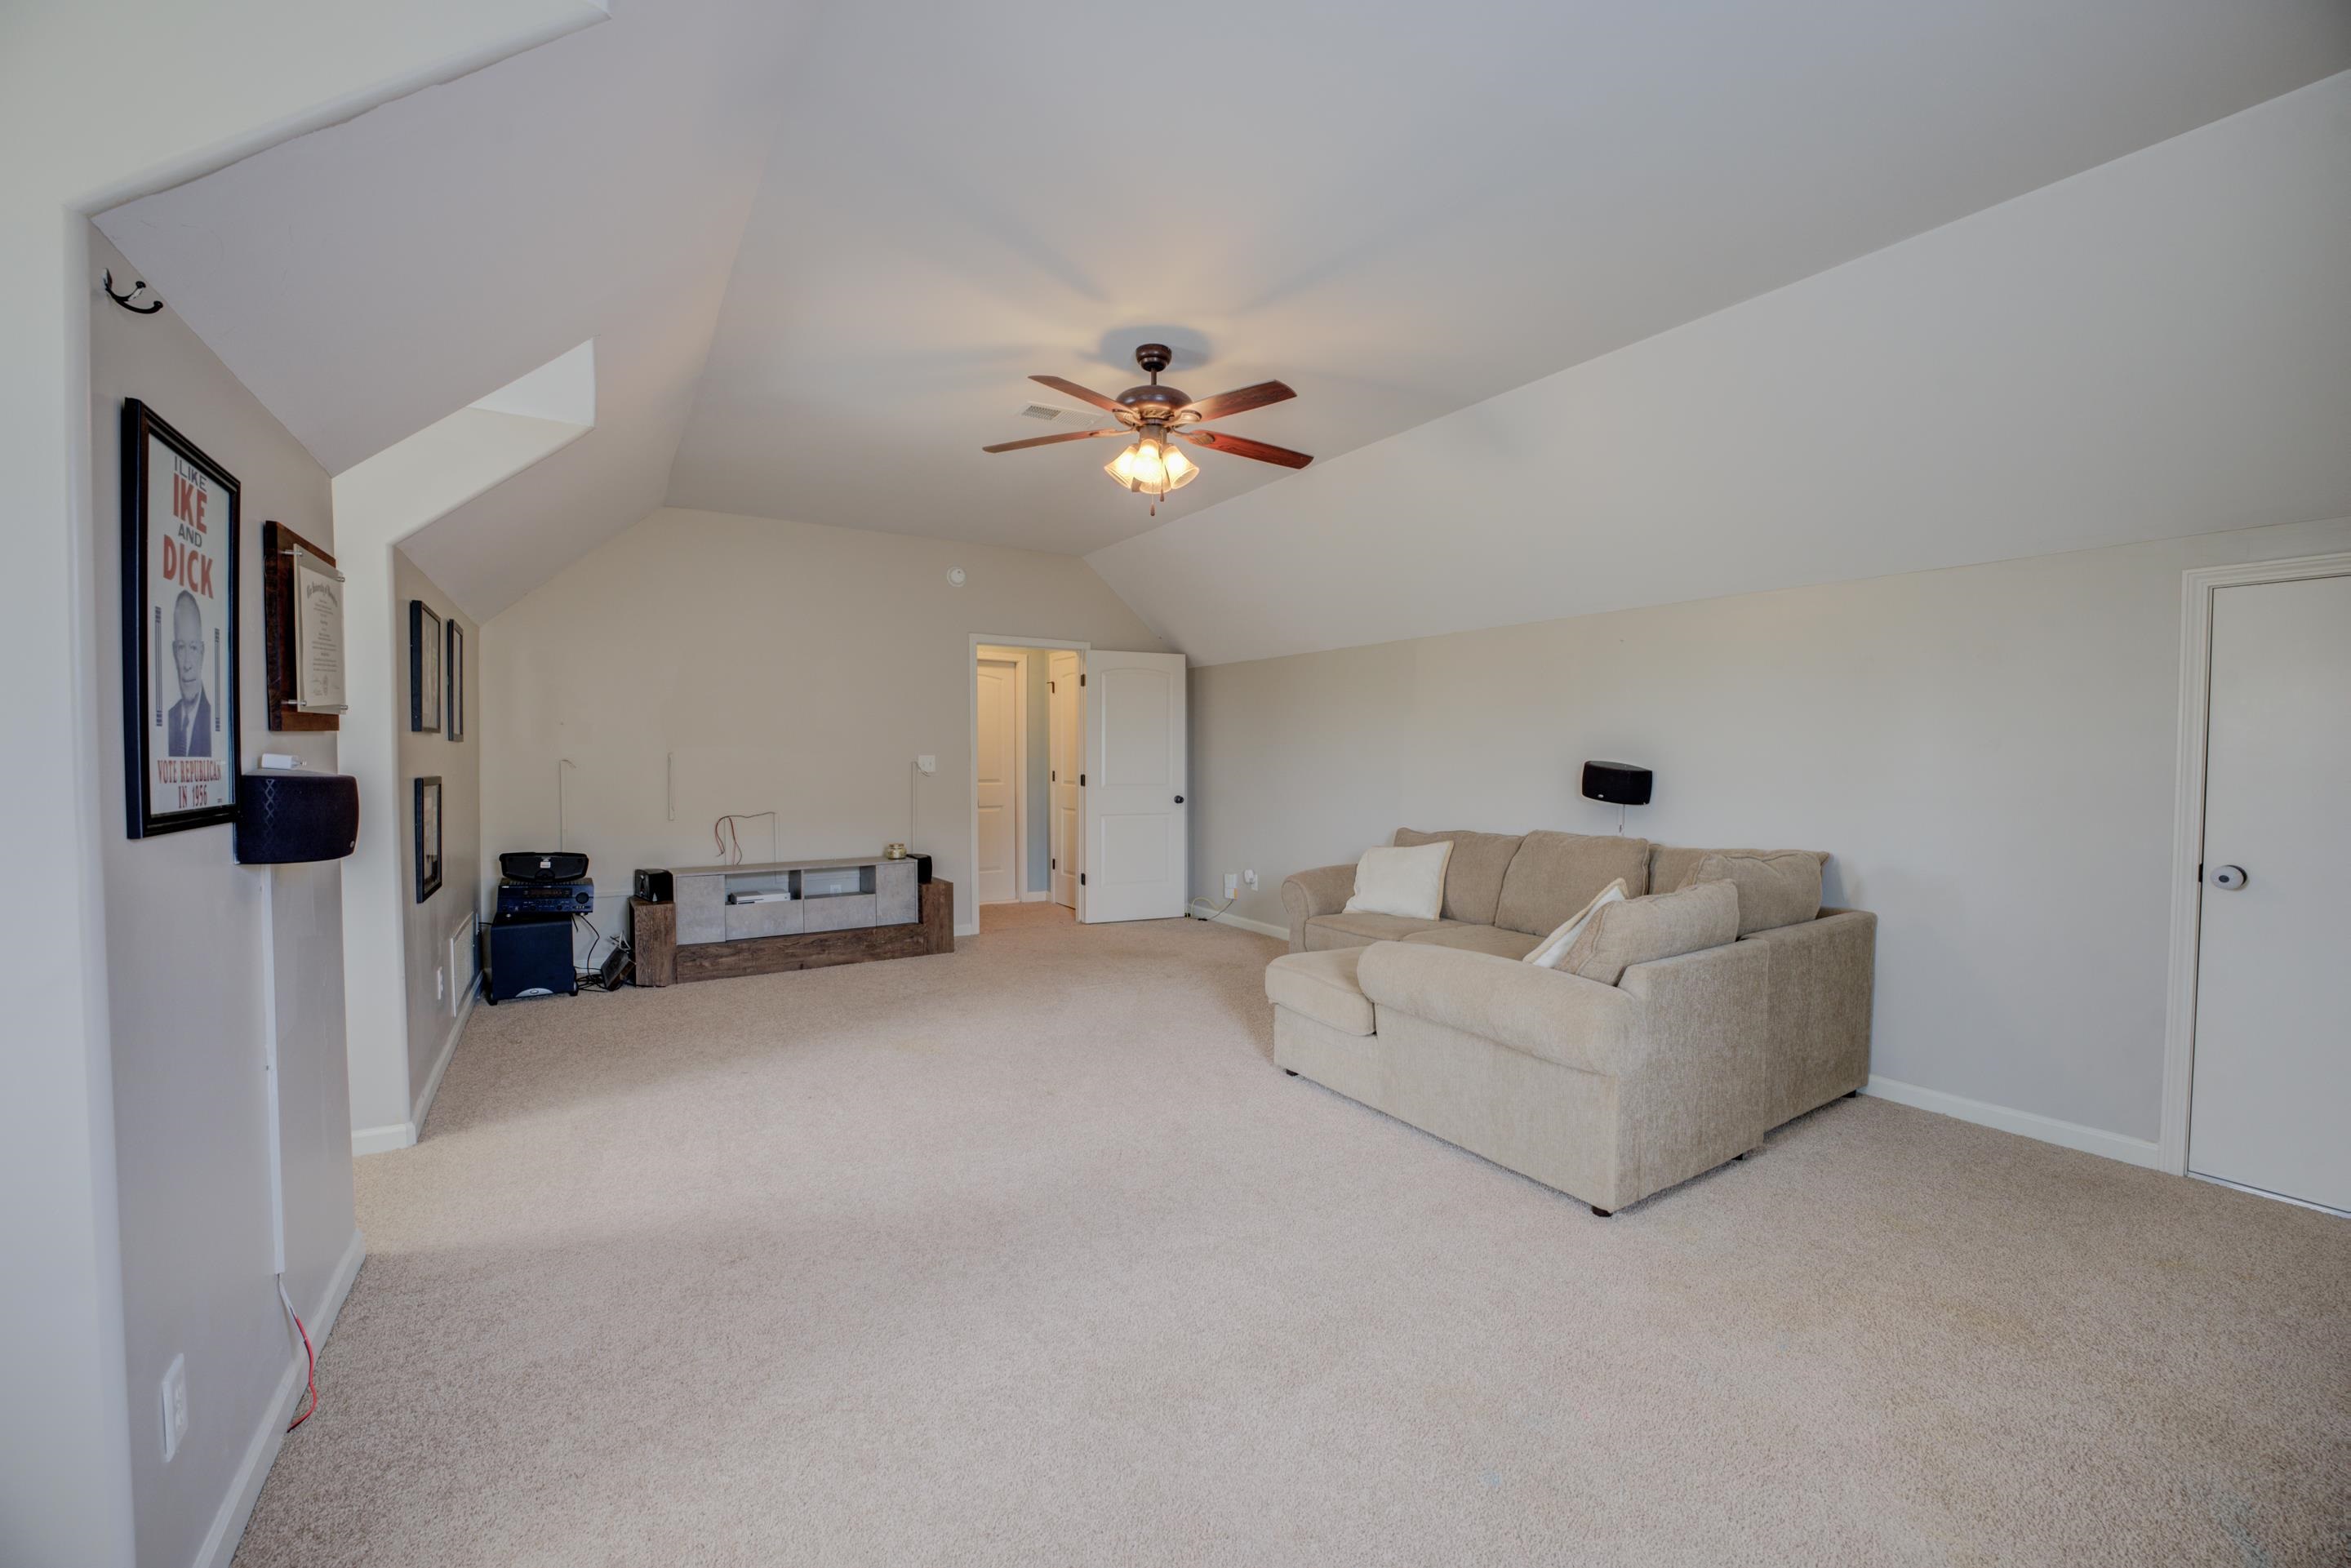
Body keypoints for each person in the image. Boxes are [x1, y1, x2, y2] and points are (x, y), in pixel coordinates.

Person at [166, 589, 212, 757]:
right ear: (173, 651)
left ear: (202, 652)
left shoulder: (212, 719)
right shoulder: (168, 719)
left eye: (193, 648)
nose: (186, 664)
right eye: (180, 648)